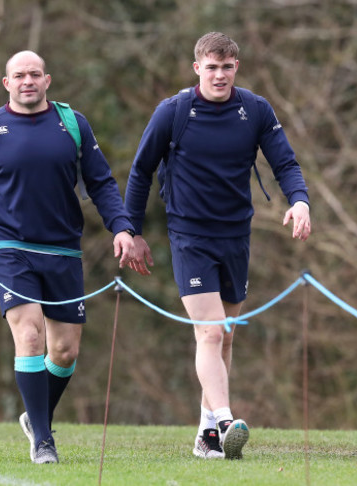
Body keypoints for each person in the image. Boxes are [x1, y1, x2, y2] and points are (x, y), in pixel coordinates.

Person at [0, 51, 136, 464]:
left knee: (65, 351)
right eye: (19, 75)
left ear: (47, 80)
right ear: (7, 83)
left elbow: (102, 182)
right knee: (30, 336)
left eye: (34, 74)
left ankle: (35, 417)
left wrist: (122, 227)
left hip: (63, 249)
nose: (27, 81)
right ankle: (43, 440)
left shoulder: (72, 124)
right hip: (9, 248)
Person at [125, 32, 311, 460]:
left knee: (224, 336)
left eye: (227, 67)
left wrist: (299, 201)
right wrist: (131, 230)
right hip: (190, 235)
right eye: (212, 67)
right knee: (209, 331)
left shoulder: (255, 109)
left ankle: (207, 436)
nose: (220, 75)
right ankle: (226, 421)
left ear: (236, 68)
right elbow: (140, 171)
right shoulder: (173, 112)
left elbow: (284, 161)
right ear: (197, 69)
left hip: (236, 234)